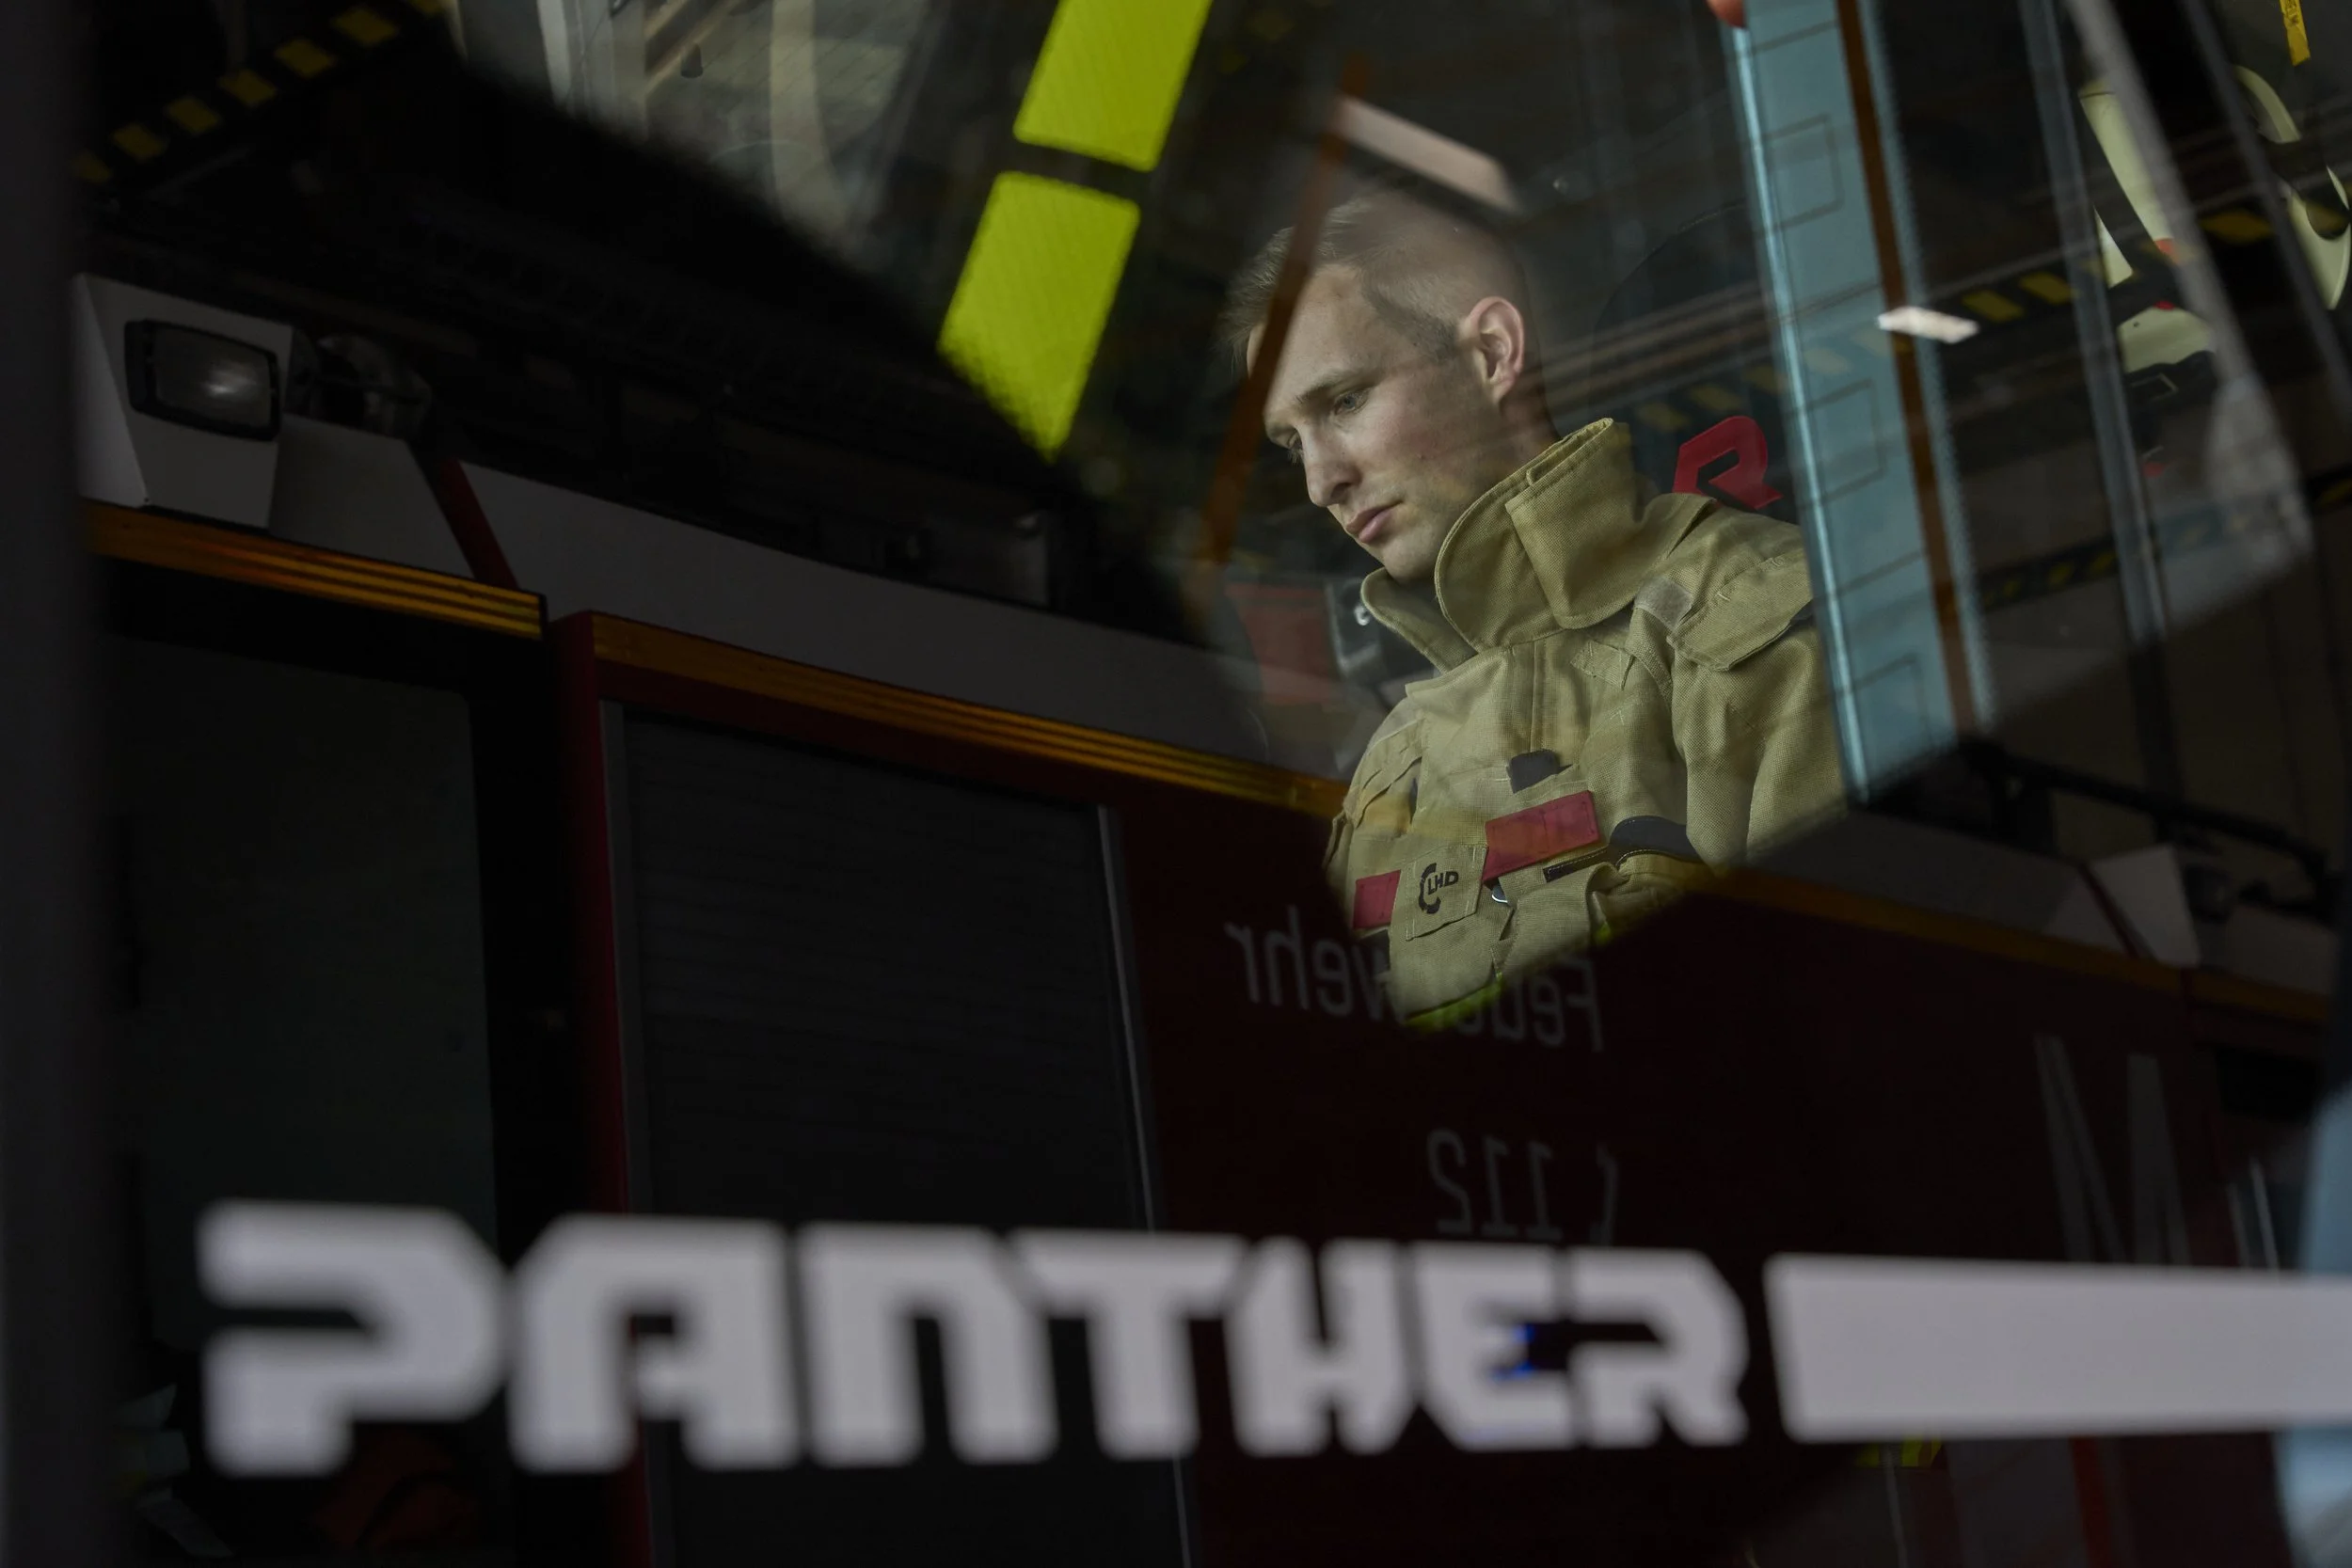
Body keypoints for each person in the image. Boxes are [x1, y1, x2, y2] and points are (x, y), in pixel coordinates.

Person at [1221, 187, 1842, 1028]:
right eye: (1293, 442)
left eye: (1345, 401)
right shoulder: (1390, 764)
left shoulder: (1748, 625)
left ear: (1491, 354)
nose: (1320, 481)